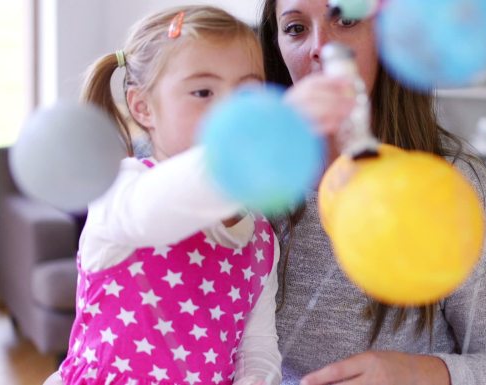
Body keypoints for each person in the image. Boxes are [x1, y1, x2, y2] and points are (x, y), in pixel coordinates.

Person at [40, 5, 350, 385]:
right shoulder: (120, 189)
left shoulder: (261, 238)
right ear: (143, 108)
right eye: (203, 92)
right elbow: (151, 213)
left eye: (246, 94)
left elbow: (258, 350)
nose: (229, 113)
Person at [258, 1, 486, 384]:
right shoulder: (242, 184)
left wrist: (420, 374)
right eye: (296, 28)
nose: (320, 46)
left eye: (346, 19)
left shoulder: (456, 186)